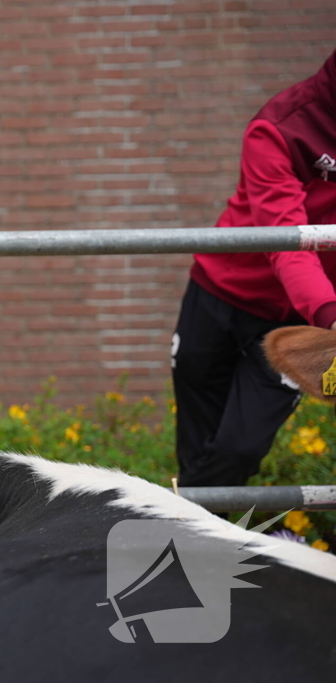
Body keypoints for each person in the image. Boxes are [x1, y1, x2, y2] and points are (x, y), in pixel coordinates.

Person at [172, 47, 336, 489]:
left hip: (299, 320)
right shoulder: (280, 127)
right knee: (197, 446)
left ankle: (177, 519)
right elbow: (287, 243)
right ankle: (191, 527)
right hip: (221, 295)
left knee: (239, 450)